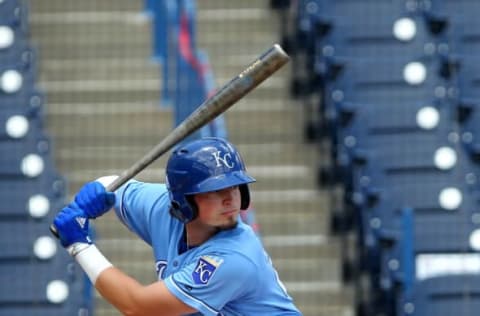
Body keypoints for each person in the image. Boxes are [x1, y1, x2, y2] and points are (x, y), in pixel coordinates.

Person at [53, 137, 302, 315]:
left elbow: (138, 307)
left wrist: (79, 246)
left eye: (235, 186)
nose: (230, 198)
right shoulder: (163, 206)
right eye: (214, 191)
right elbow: (112, 187)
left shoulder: (234, 258)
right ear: (182, 200)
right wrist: (95, 194)